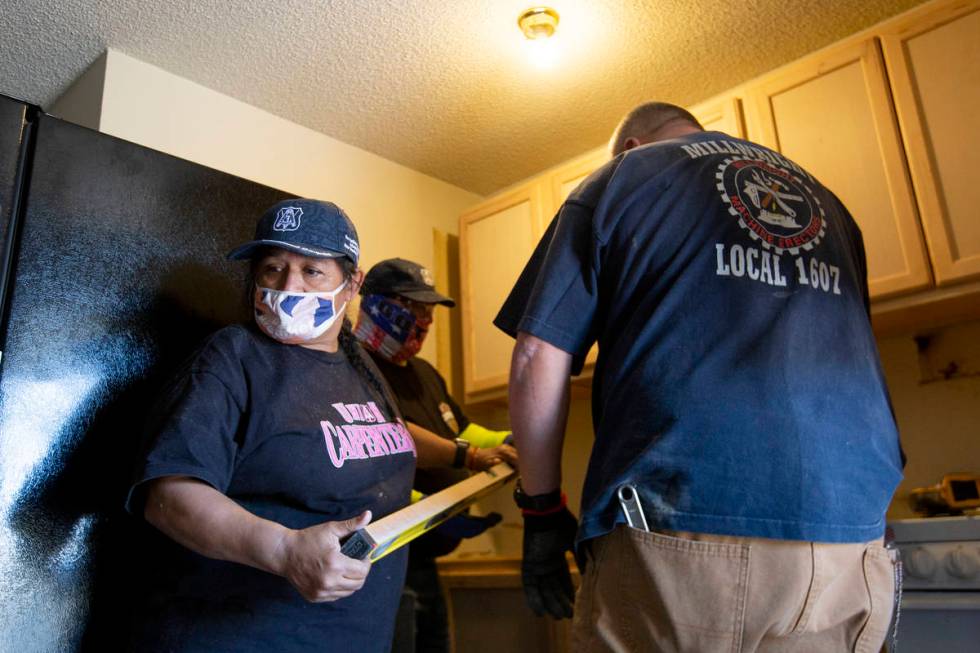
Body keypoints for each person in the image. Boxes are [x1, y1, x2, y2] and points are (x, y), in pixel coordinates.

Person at [494, 102, 905, 651]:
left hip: (685, 530)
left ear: (632, 147)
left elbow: (537, 354)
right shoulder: (830, 204)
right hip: (853, 540)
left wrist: (542, 513)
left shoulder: (626, 174)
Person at [125, 199, 509, 653]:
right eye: (272, 269)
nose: (289, 286)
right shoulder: (232, 357)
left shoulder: (356, 359)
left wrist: (467, 455)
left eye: (312, 270)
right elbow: (167, 496)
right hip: (244, 636)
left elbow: (385, 432)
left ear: (352, 284)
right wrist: (284, 550)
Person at [354, 257, 516, 653]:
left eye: (429, 310)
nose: (425, 320)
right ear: (379, 305)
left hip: (426, 559)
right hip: (380, 563)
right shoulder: (353, 364)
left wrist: (512, 438)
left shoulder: (424, 372)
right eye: (415, 308)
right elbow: (386, 444)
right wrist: (431, 500)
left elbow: (460, 430)